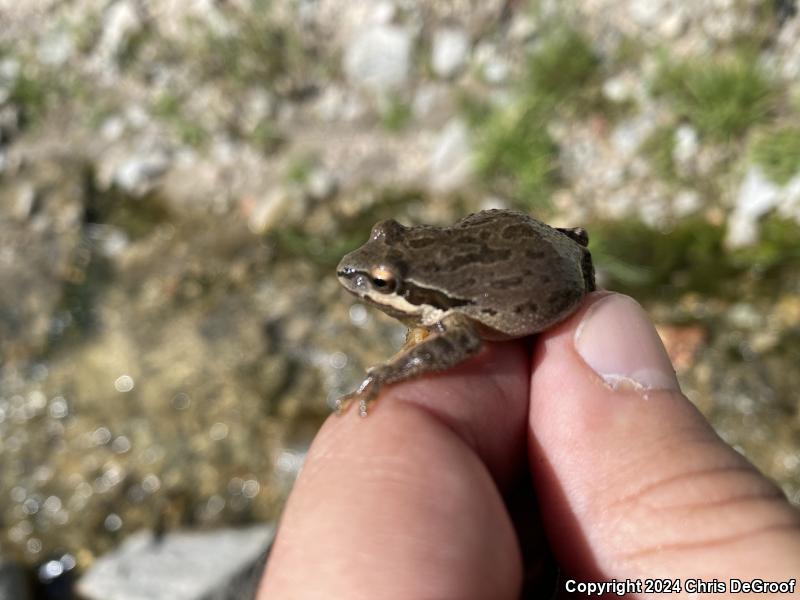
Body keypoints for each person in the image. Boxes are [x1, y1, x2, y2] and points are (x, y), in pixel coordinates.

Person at [258, 293, 800, 598]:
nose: (363, 283)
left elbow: (466, 340)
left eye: (382, 280)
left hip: (539, 296)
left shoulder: (454, 315)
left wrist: (395, 374)